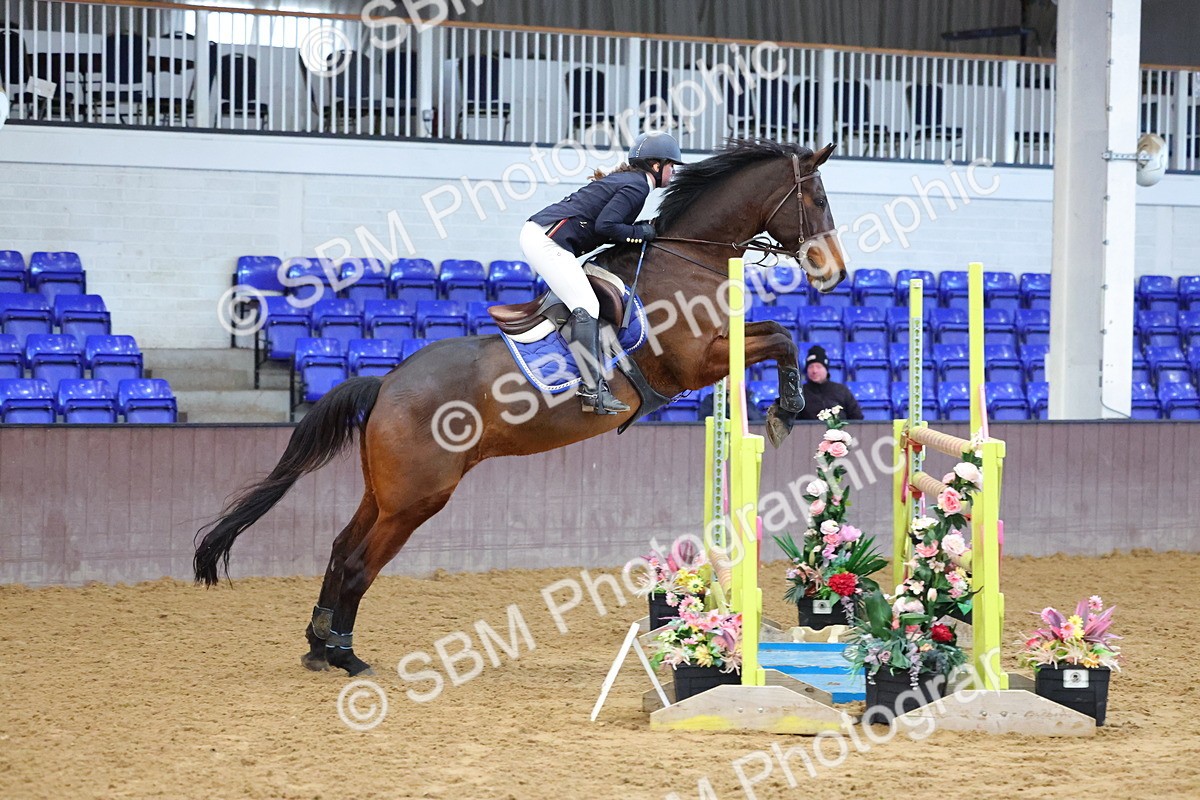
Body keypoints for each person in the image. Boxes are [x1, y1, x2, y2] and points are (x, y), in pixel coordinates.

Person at [520, 130, 683, 415]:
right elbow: (606, 227)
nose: (673, 172)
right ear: (656, 165)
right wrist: (641, 232)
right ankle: (592, 390)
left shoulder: (632, 182)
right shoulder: (638, 186)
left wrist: (640, 229)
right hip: (546, 241)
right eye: (671, 165)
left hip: (543, 236)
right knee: (587, 305)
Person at [797, 345, 863, 420]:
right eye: (811, 367)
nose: (814, 371)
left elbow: (857, 418)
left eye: (818, 367)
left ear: (826, 369)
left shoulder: (841, 390)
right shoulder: (799, 394)